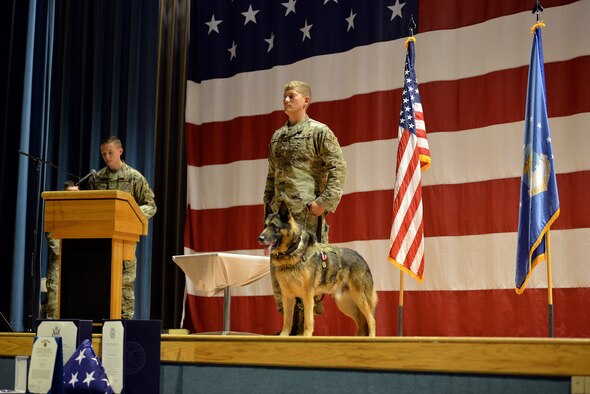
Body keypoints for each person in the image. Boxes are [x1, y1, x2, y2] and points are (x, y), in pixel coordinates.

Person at [263, 80, 347, 335]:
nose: (286, 100)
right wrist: (268, 207)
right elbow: (271, 175)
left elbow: (338, 167)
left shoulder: (319, 132)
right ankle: (289, 326)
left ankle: (304, 329)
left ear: (306, 100)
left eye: (292, 96)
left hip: (307, 219)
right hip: (282, 221)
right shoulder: (278, 137)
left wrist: (323, 203)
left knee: (307, 274)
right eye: (284, 96)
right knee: (281, 273)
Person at [88, 136, 157, 319]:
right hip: (101, 241)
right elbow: (91, 207)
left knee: (125, 283)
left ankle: (125, 323)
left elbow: (151, 204)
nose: (107, 157)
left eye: (110, 153)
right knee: (100, 282)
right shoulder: (97, 178)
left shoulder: (134, 177)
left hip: (125, 240)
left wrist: (131, 215)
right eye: (104, 154)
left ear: (120, 151)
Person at [45, 180, 79, 319]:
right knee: (54, 299)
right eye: (70, 193)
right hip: (60, 260)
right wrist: (66, 252)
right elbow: (51, 233)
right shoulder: (55, 209)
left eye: (76, 193)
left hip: (79, 260)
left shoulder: (85, 211)